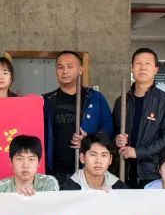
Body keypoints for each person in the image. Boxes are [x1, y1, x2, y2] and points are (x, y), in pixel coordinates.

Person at [112, 47, 165, 187]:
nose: (142, 67)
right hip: (124, 172)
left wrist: (138, 152)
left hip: (154, 173)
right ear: (132, 68)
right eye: (138, 63)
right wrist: (116, 139)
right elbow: (113, 131)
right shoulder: (122, 101)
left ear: (156, 69)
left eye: (147, 63)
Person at [42, 50, 113, 182]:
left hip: (89, 171)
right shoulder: (47, 100)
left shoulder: (95, 98)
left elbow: (108, 130)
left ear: (80, 70)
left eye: (70, 66)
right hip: (55, 172)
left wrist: (89, 140)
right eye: (60, 67)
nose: (64, 71)